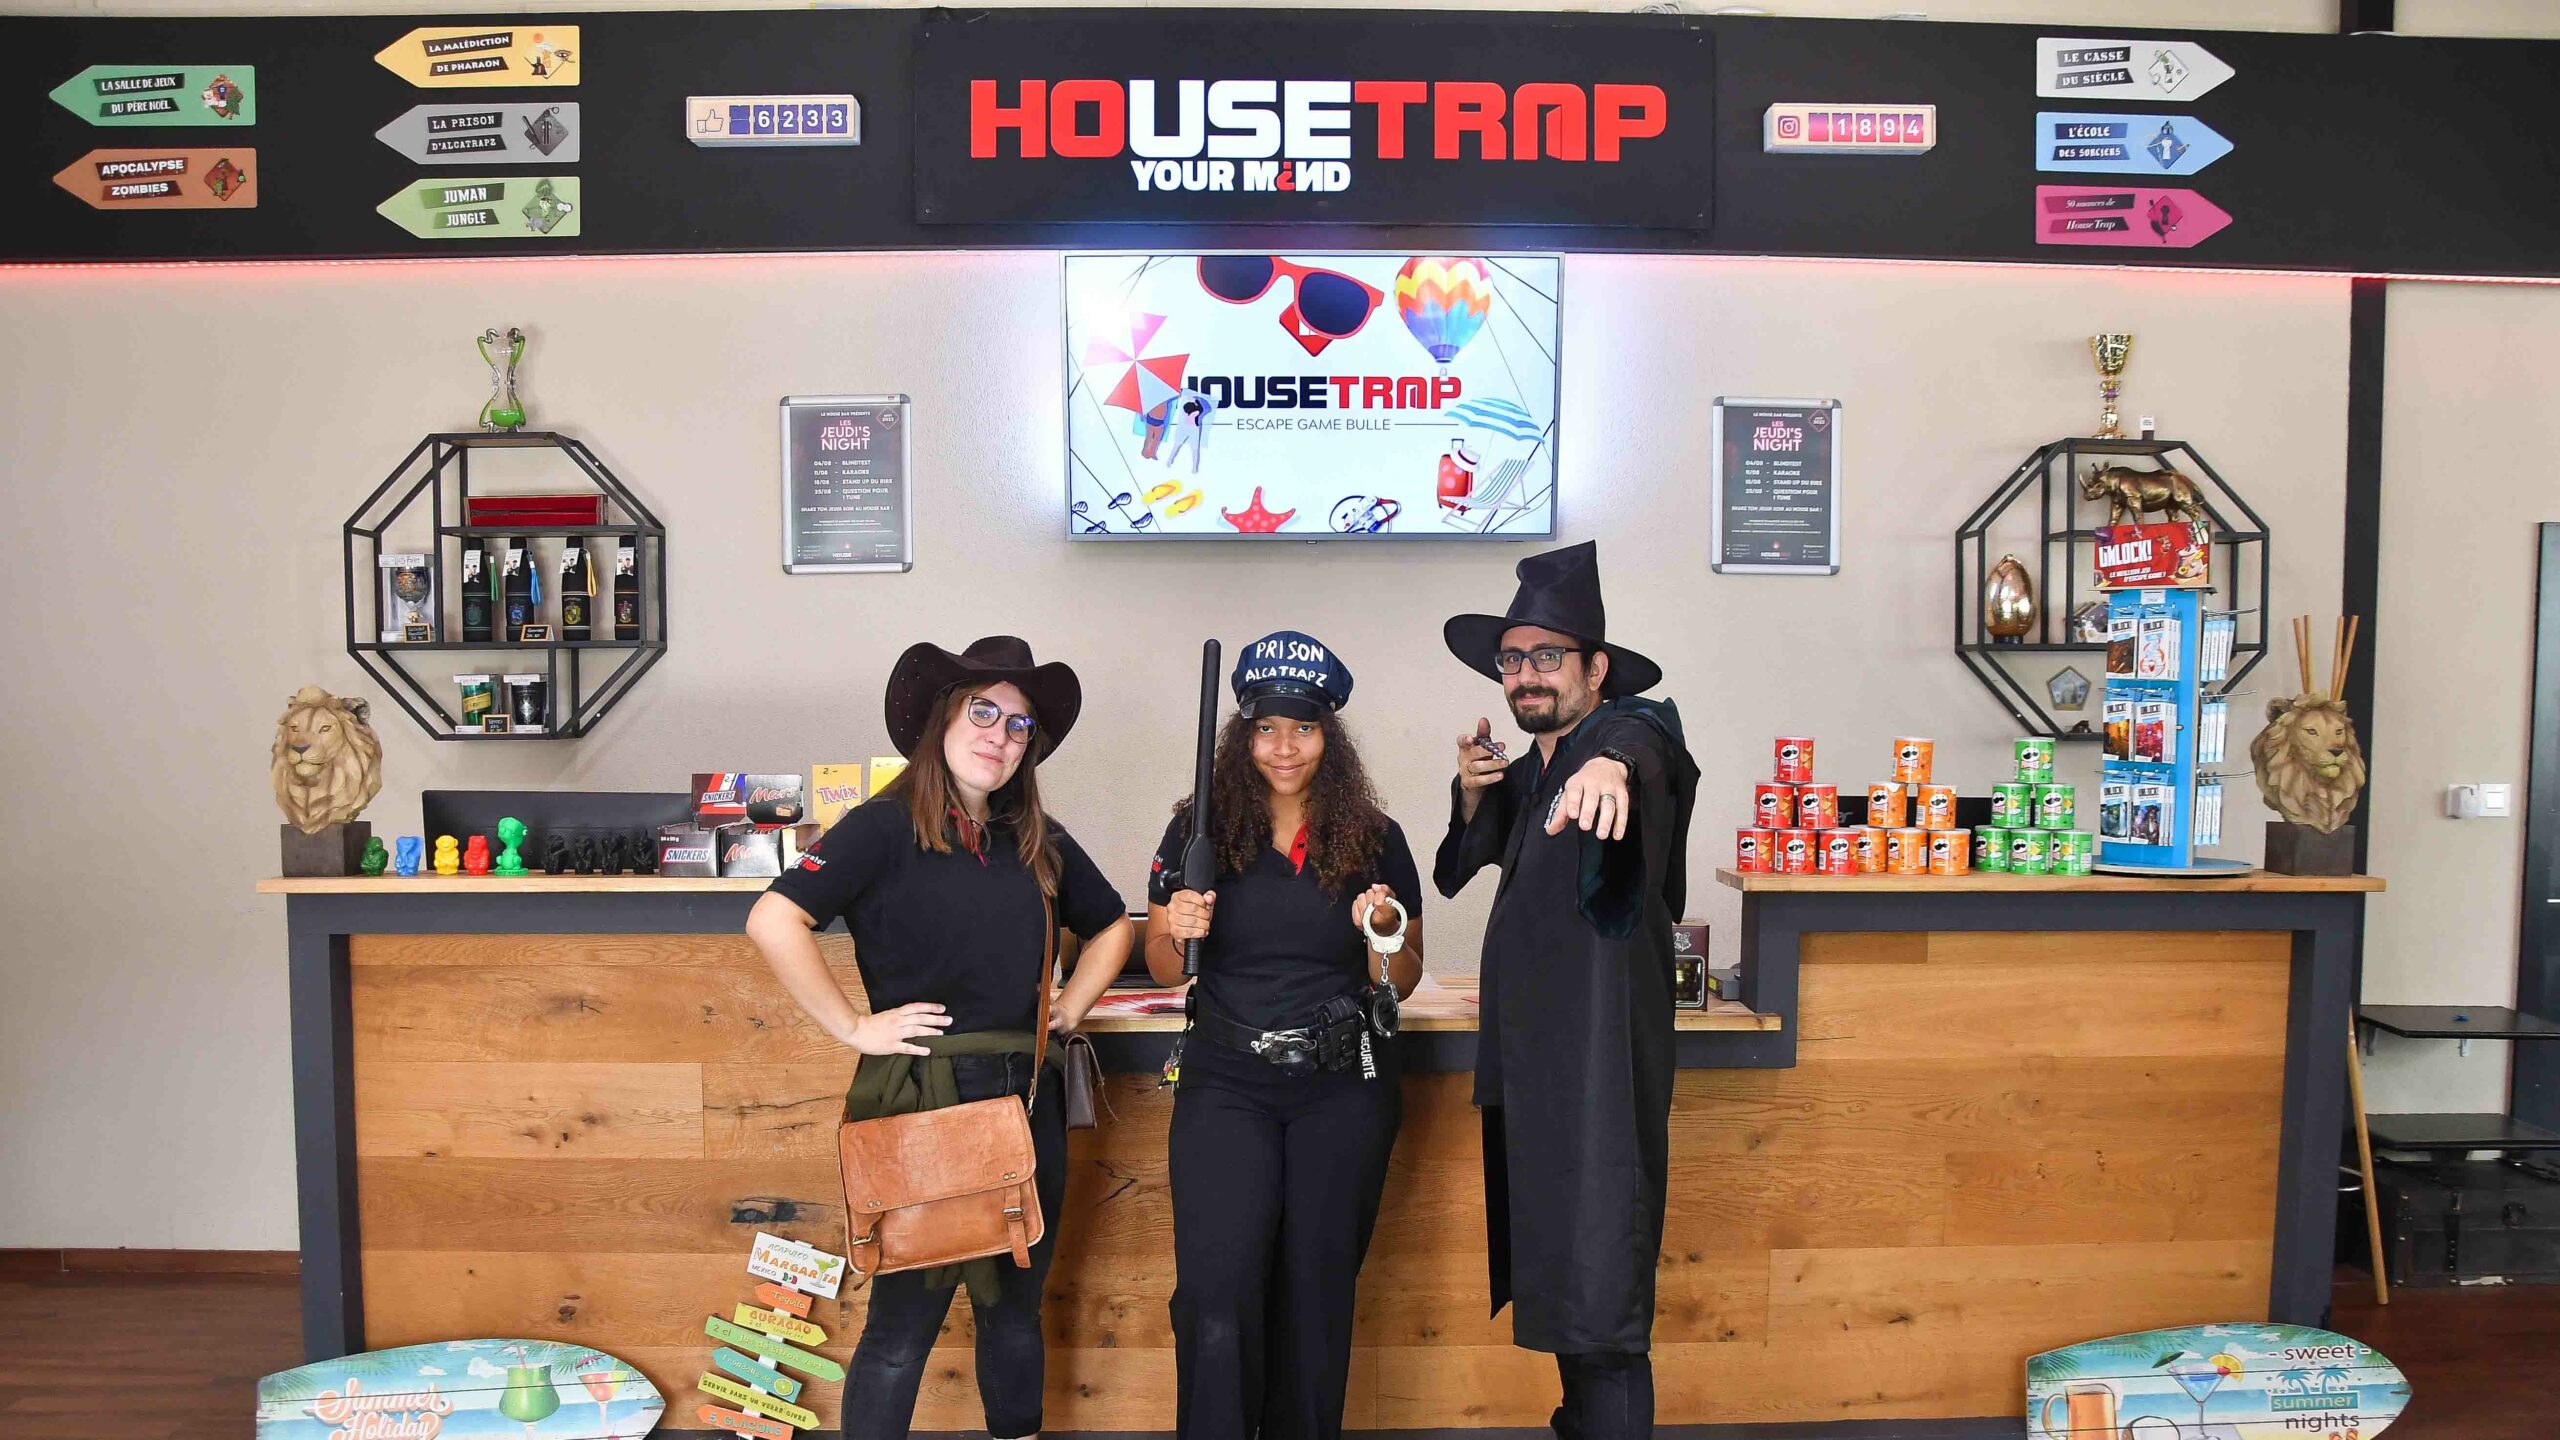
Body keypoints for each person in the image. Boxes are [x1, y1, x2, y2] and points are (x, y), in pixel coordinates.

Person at [745, 635, 1136, 1440]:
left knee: (1016, 1312)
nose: (1000, 735)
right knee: (902, 1324)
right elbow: (773, 918)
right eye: (983, 712)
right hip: (923, 1103)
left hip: (1026, 1102)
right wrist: (853, 1026)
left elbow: (1111, 928)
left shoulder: (1036, 838)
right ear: (943, 719)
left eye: (1019, 725)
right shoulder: (883, 827)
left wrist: (1070, 1007)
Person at [1433, 542, 1700, 1440]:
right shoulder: (1534, 772)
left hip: (1600, 1080)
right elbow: (1456, 871)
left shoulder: (1622, 744)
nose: (1526, 674)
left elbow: (1653, 736)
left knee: (1603, 1305)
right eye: (1512, 659)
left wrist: (1611, 760)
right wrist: (1473, 794)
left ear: (1596, 670)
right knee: (1567, 1296)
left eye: (1548, 656)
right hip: (1541, 1078)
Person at [1145, 630, 1424, 1440]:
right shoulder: (1196, 830)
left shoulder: (1375, 836)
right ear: (1243, 735)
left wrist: (1379, 933)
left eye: (1304, 727)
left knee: (1315, 1294)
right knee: (1216, 1292)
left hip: (1343, 1084)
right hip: (1225, 1081)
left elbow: (1401, 978)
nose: (1285, 747)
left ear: (1329, 737)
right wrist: (1177, 929)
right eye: (1267, 727)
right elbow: (1163, 965)